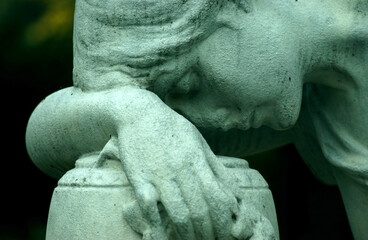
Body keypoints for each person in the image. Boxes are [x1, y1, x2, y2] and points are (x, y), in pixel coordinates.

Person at [26, 0, 368, 239]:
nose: (197, 120)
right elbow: (44, 136)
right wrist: (133, 113)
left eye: (187, 83)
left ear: (237, 3)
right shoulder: (315, 93)